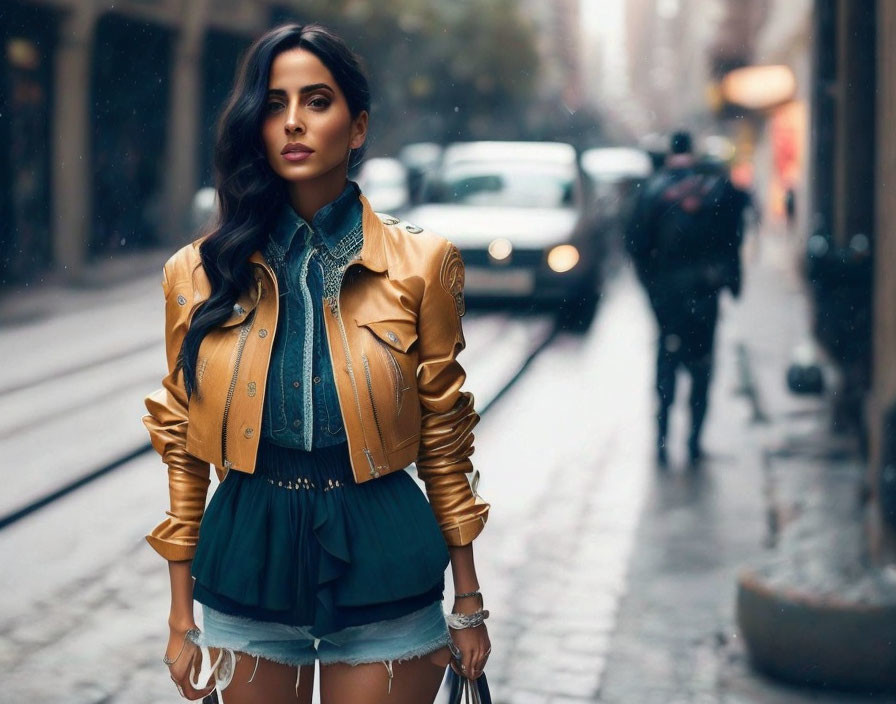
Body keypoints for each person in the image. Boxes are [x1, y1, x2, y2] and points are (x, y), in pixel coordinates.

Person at [142, 23, 491, 703]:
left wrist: (470, 598)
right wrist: (181, 613)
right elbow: (181, 442)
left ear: (357, 127)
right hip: (248, 557)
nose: (294, 123)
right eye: (274, 104)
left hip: (387, 557)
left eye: (317, 101)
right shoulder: (198, 272)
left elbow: (446, 437)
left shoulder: (422, 264)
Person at [625, 130, 744, 468]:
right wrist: (728, 283)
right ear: (692, 153)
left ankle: (662, 440)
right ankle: (694, 441)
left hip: (669, 297)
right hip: (704, 296)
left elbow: (636, 245)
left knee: (667, 364)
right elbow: (731, 241)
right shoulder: (713, 189)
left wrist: (653, 292)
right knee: (702, 367)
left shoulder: (652, 190)